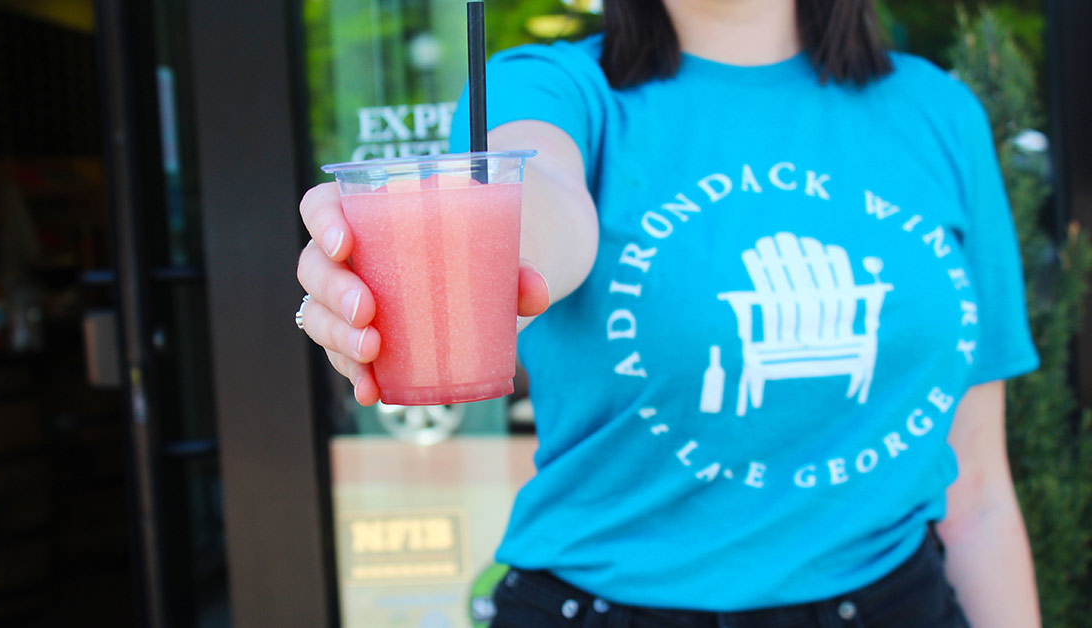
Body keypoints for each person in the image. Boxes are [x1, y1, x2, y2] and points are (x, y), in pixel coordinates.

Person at [296, 0, 1042, 625]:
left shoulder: (939, 113)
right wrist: (460, 263)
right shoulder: (550, 87)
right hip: (604, 607)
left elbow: (975, 491)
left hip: (893, 602)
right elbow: (540, 201)